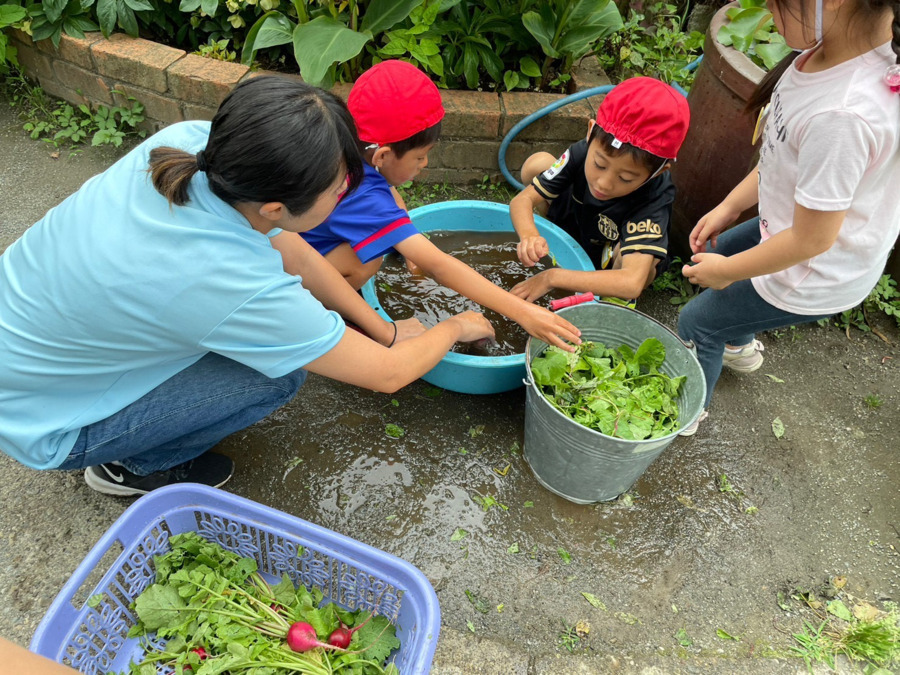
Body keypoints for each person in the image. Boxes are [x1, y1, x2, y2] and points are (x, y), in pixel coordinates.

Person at [0, 76, 494, 497]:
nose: (349, 190)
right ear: (276, 209)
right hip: (45, 422)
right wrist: (452, 327)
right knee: (277, 376)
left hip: (27, 343)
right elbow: (386, 375)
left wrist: (384, 329)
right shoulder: (229, 280)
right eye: (339, 187)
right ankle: (128, 467)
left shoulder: (190, 145)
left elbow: (297, 253)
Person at [676, 0, 900, 436]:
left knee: (697, 322)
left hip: (814, 268)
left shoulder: (843, 116)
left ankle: (687, 412)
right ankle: (739, 343)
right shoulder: (831, 51)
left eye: (775, 2)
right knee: (722, 259)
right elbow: (782, 156)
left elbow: (810, 241)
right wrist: (729, 206)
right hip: (793, 232)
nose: (766, 10)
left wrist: (727, 273)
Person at [279, 59, 582, 352]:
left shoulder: (345, 144)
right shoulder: (365, 197)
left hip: (289, 241)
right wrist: (523, 313)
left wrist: (410, 246)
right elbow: (440, 266)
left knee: (384, 243)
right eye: (421, 156)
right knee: (368, 262)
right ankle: (321, 311)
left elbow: (388, 197)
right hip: (289, 273)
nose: (424, 164)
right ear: (382, 156)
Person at [507, 77, 691, 307]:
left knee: (634, 263)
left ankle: (610, 304)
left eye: (625, 178)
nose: (603, 183)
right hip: (576, 221)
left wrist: (552, 277)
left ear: (657, 172)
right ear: (591, 131)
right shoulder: (582, 151)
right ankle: (557, 237)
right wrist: (529, 236)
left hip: (611, 252)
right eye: (599, 164)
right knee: (537, 164)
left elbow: (632, 281)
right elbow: (521, 201)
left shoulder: (655, 194)